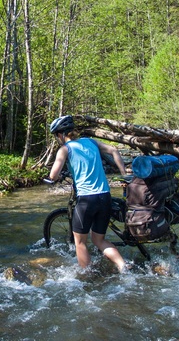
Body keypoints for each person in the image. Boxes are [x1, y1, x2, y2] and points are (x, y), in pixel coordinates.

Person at [48, 115, 127, 273]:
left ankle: (87, 275)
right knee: (99, 240)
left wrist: (55, 177)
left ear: (60, 134)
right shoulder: (91, 142)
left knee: (80, 242)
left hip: (86, 200)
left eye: (56, 135)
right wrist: (124, 175)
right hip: (105, 196)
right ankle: (123, 266)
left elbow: (53, 175)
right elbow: (114, 150)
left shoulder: (65, 149)